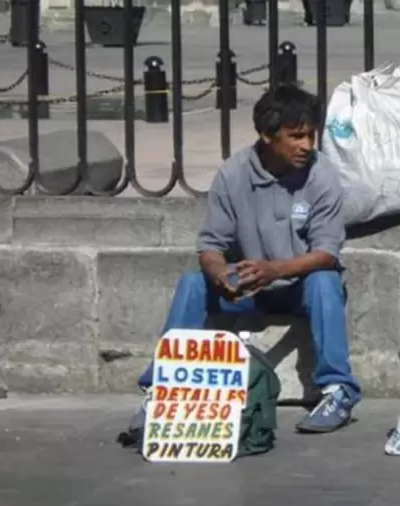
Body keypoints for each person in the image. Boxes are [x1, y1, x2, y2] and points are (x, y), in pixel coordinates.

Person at [137, 85, 361, 433]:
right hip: (250, 288)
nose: (307, 145)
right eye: (296, 136)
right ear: (268, 136)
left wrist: (275, 270)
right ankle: (160, 388)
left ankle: (338, 389)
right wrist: (219, 274)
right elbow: (210, 245)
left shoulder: (322, 176)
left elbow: (327, 253)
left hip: (298, 287)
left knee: (325, 281)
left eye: (311, 136)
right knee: (194, 285)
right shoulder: (234, 173)